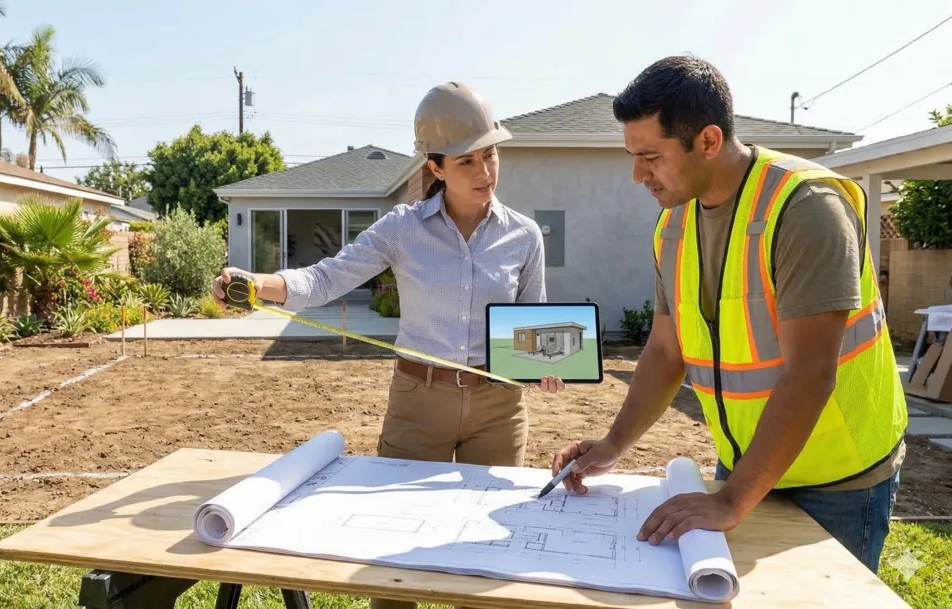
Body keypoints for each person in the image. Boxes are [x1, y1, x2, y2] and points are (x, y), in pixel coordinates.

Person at [550, 55, 907, 574]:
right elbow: (666, 350)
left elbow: (810, 373)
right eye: (633, 156)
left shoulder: (807, 208)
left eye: (650, 157)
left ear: (709, 141)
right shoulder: (674, 225)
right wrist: (613, 443)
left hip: (839, 481)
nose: (637, 174)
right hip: (749, 465)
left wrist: (732, 499)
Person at [214, 81, 563, 608]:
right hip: (418, 405)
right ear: (436, 167)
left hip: (499, 409)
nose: (485, 172)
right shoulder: (402, 228)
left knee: (488, 557)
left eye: (491, 155)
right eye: (467, 161)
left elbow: (532, 324)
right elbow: (325, 279)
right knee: (393, 553)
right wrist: (259, 283)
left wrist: (547, 363)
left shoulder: (525, 235)